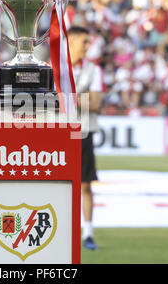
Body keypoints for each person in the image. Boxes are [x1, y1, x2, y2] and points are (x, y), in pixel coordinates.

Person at [68, 26, 105, 250]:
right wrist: (79, 99)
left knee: (84, 185)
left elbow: (95, 103)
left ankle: (87, 234)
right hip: (59, 130)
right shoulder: (56, 68)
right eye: (83, 42)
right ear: (70, 42)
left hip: (82, 131)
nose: (87, 46)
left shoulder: (93, 70)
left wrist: (67, 98)